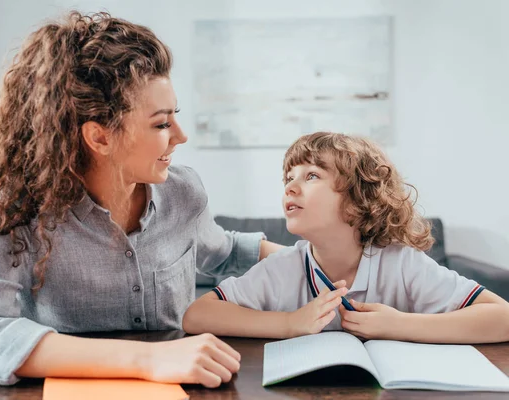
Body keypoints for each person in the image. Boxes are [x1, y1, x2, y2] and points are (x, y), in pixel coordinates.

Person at [0, 11, 282, 388]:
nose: (181, 136)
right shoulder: (22, 213)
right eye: (161, 123)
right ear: (100, 137)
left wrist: (326, 263)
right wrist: (146, 359)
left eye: (176, 117)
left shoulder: (184, 193)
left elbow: (224, 253)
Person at [183, 132, 509, 343]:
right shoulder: (281, 267)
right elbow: (197, 315)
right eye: (288, 177)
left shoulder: (403, 263)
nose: (290, 186)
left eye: (311, 176)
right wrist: (289, 323)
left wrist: (399, 325)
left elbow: (502, 318)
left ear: (358, 199)